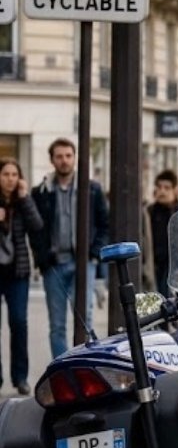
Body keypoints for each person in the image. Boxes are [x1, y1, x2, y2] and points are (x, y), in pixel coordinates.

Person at [30, 138, 109, 358]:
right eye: (59, 156)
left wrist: (94, 254)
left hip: (83, 263)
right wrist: (42, 259)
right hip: (54, 266)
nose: (64, 161)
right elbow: (35, 230)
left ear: (74, 158)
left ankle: (84, 368)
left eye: (68, 156)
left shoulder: (91, 189)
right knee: (57, 325)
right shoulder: (42, 191)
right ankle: (62, 373)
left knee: (85, 319)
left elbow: (105, 223)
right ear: (52, 160)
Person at [0, 158, 43, 394]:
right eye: (5, 174)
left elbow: (37, 226)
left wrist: (25, 197)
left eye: (14, 175)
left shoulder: (22, 202)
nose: (10, 179)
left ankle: (20, 378)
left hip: (18, 272)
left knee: (19, 323)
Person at [147, 169, 178, 296]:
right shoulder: (150, 211)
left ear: (175, 190)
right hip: (155, 263)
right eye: (159, 187)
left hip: (176, 264)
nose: (162, 191)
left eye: (167, 188)